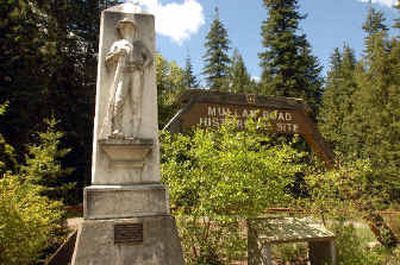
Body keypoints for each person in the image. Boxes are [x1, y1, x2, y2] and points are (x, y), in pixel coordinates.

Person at [105, 17, 153, 138]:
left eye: (129, 27)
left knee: (136, 101)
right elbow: (108, 60)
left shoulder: (139, 45)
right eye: (124, 27)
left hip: (136, 72)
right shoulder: (117, 44)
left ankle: (136, 132)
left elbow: (149, 58)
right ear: (121, 30)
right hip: (123, 72)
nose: (127, 29)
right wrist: (117, 54)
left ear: (133, 29)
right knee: (118, 100)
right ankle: (117, 130)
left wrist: (142, 67)